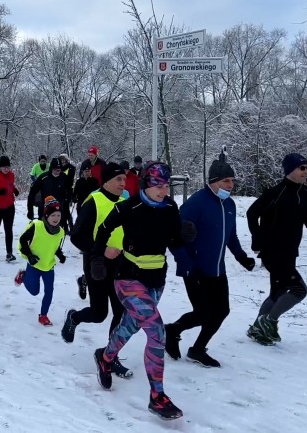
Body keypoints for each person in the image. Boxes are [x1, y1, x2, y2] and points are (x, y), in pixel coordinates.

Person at [90, 162, 188, 420]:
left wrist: (186, 236)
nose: (163, 190)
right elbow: (102, 231)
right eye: (158, 185)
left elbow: (175, 240)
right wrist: (97, 260)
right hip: (128, 277)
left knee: (130, 327)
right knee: (156, 331)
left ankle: (105, 357)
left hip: (156, 279)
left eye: (166, 186)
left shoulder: (170, 208)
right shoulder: (128, 207)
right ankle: (157, 396)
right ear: (146, 183)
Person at [166, 152, 256, 367]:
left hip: (217, 270)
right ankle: (173, 330)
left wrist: (241, 257)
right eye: (226, 180)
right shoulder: (196, 203)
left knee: (221, 311)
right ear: (213, 181)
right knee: (204, 313)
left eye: (233, 180)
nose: (231, 184)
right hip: (195, 269)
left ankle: (197, 349)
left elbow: (230, 235)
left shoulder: (230, 205)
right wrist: (186, 264)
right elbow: (174, 237)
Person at [246, 153, 307, 345]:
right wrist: (257, 242)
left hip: (290, 251)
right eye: (301, 168)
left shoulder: (306, 194)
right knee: (299, 290)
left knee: (278, 291)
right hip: (272, 251)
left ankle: (257, 329)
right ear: (290, 170)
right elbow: (252, 214)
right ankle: (269, 322)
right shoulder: (276, 192)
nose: (306, 171)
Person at [62, 163, 131, 380]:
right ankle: (74, 317)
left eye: (124, 179)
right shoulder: (93, 202)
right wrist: (101, 250)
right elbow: (76, 236)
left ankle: (111, 356)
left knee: (120, 313)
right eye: (119, 179)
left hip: (120, 266)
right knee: (100, 313)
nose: (123, 183)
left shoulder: (124, 203)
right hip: (97, 264)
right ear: (107, 181)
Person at [15, 196, 66, 326]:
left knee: (49, 291)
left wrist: (60, 255)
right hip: (34, 264)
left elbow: (55, 247)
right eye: (53, 215)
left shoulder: (60, 232)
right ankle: (23, 275)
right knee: (34, 291)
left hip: (49, 266)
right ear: (47, 215)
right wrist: (30, 255)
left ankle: (43, 315)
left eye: (58, 215)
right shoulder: (37, 226)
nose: (56, 218)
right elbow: (22, 240)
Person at [27, 158, 71, 231]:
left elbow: (68, 190)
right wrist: (30, 211)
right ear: (51, 169)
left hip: (58, 210)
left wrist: (68, 197)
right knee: (43, 231)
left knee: (56, 233)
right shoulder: (43, 177)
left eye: (59, 170)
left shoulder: (63, 177)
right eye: (55, 170)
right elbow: (31, 194)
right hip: (44, 209)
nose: (57, 172)